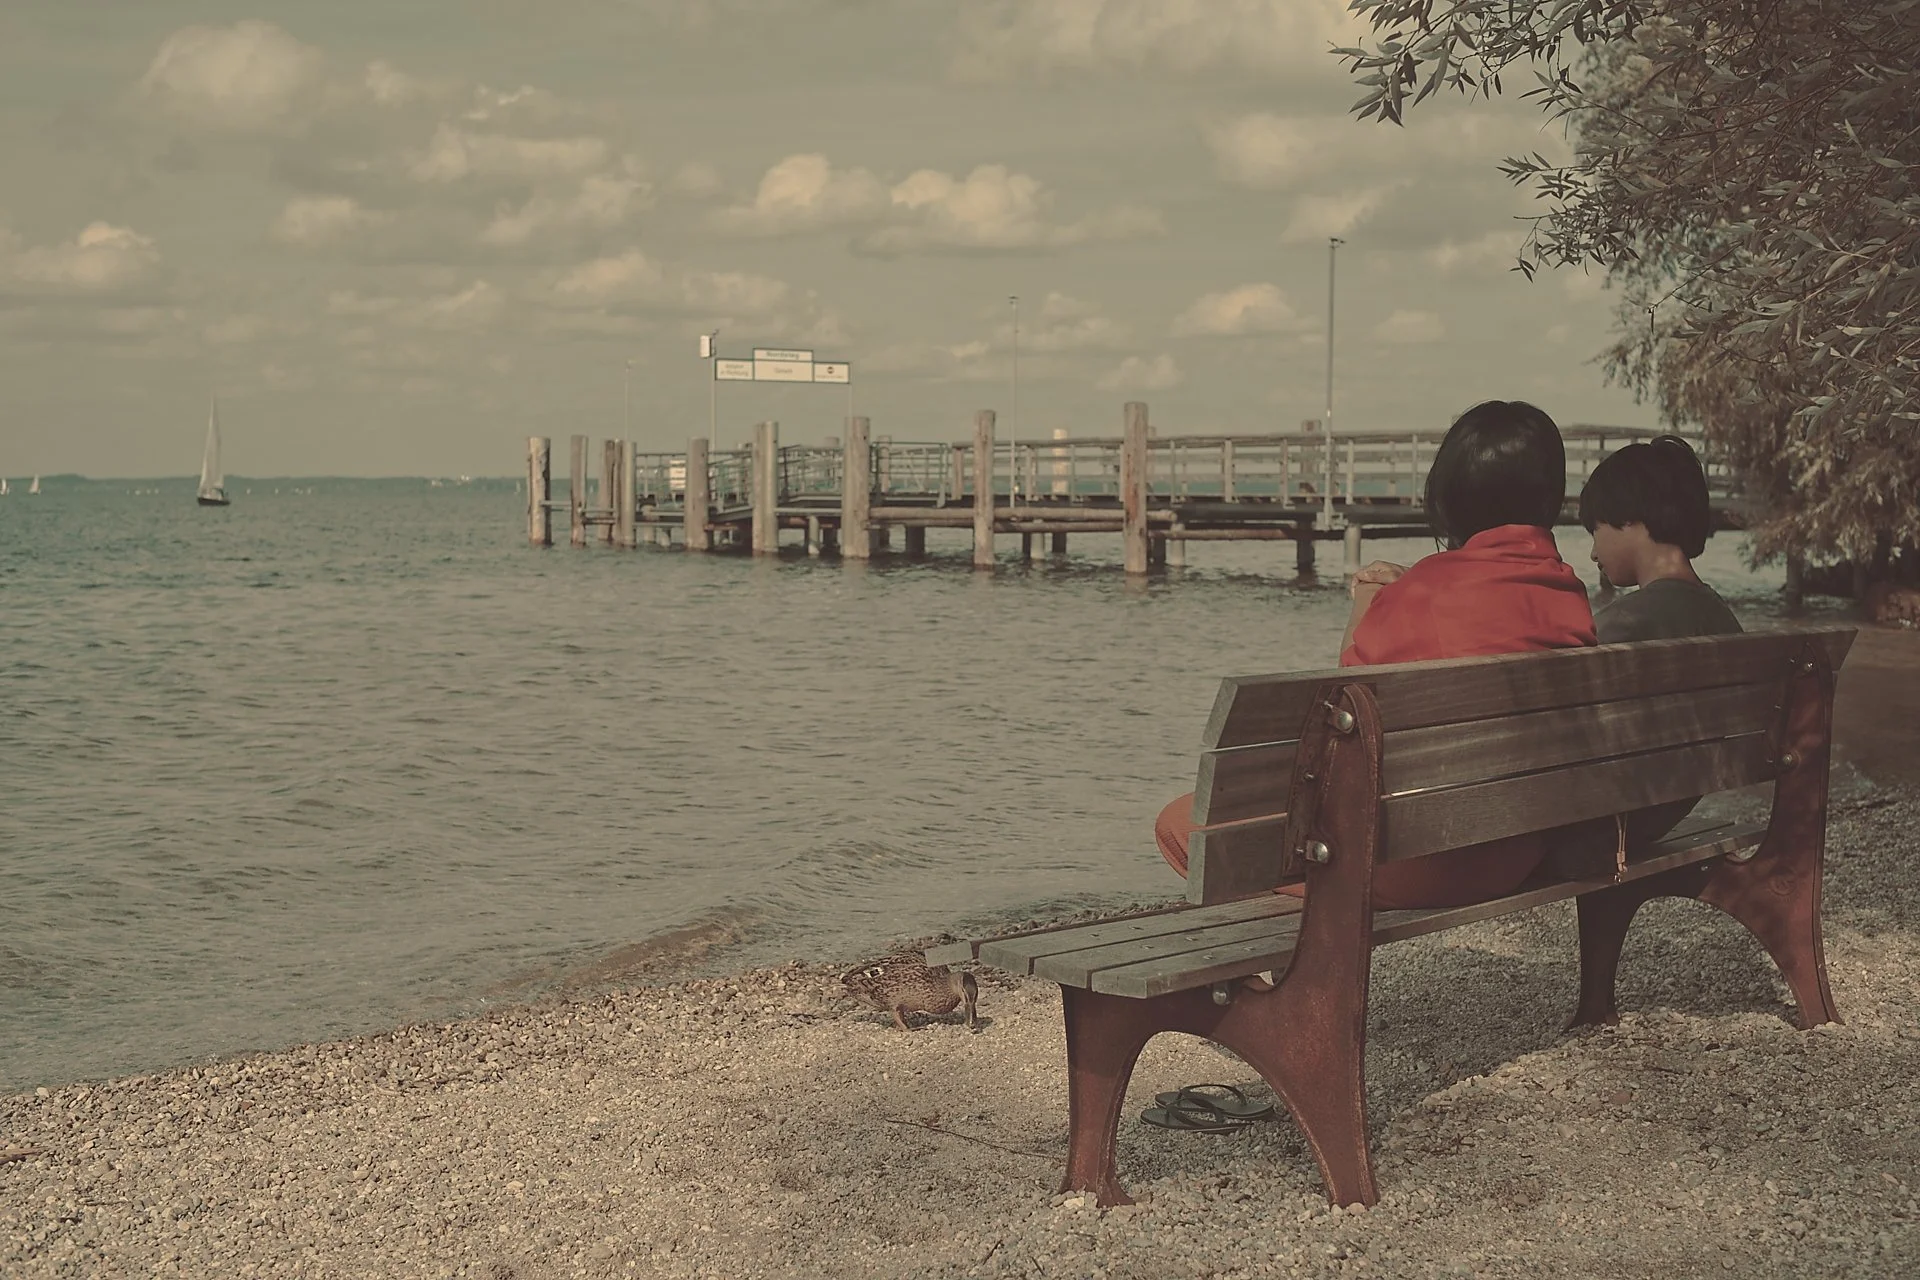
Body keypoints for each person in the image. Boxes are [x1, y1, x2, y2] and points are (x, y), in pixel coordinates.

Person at [1153, 400, 1598, 910]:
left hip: (1427, 864)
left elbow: (1343, 709)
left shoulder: (1425, 593)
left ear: (1451, 496)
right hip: (1522, 848)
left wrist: (1368, 598)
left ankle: (1299, 966)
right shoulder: (1566, 592)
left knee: (1184, 827)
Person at [1573, 433, 1743, 853]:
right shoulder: (1725, 623)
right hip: (1660, 815)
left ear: (1631, 521)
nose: (1593, 553)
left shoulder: (1622, 624)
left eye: (1595, 531)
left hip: (1596, 830)